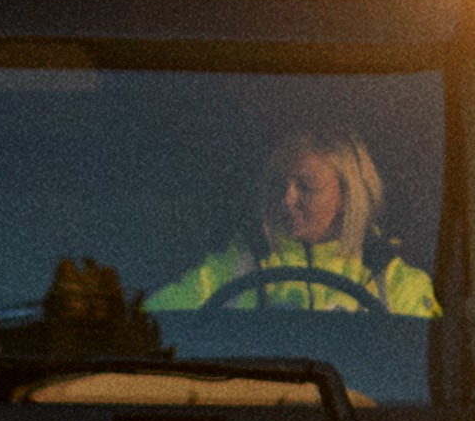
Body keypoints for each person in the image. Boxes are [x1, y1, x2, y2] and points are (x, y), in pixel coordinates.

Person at [141, 128, 432, 315]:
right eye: (278, 184)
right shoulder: (234, 267)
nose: (286, 198)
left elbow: (429, 367)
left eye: (306, 186)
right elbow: (153, 327)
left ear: (346, 195)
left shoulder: (396, 283)